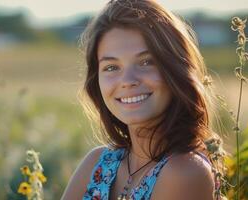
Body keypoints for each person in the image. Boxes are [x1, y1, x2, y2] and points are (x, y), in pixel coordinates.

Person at [62, 0, 225, 199]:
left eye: (146, 62)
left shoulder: (186, 171)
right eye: (111, 67)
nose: (128, 81)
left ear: (175, 69)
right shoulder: (97, 163)